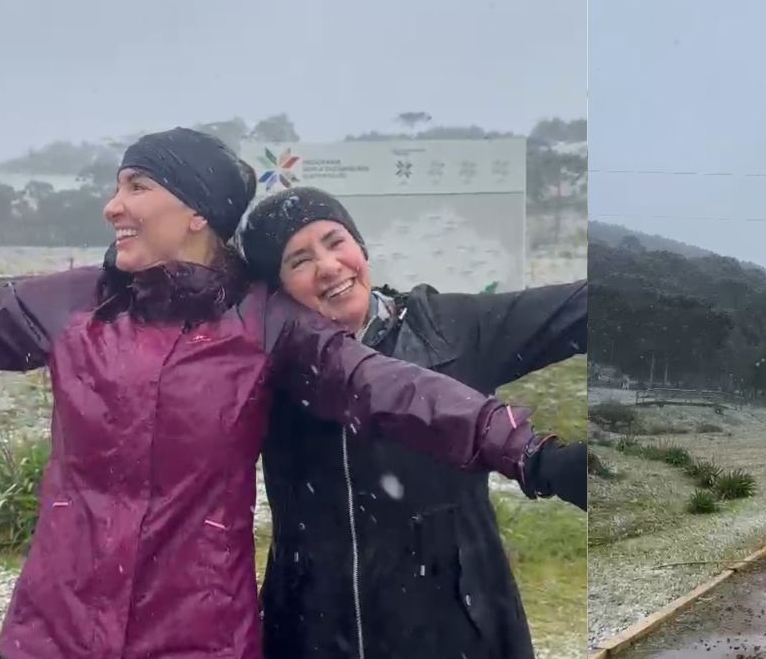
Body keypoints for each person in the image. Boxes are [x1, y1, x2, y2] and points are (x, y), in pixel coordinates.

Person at [0, 128, 578, 659]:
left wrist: (529, 452)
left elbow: (387, 385)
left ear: (197, 209)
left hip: (206, 634)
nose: (112, 206)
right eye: (299, 259)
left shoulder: (269, 325)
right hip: (63, 629)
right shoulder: (73, 302)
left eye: (137, 186)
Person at [240, 187, 586, 659]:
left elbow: (583, 310)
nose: (328, 266)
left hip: (459, 629)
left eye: (335, 241)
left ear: (360, 247)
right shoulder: (265, 367)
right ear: (277, 292)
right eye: (299, 260)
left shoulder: (452, 328)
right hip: (309, 632)